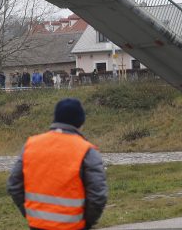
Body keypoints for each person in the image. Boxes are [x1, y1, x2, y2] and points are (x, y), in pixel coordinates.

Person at [7, 98, 107, 230]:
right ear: (80, 122)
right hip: (73, 226)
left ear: (55, 119)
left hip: (37, 225)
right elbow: (98, 195)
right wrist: (87, 222)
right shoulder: (87, 151)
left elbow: (14, 184)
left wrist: (30, 213)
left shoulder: (31, 145)